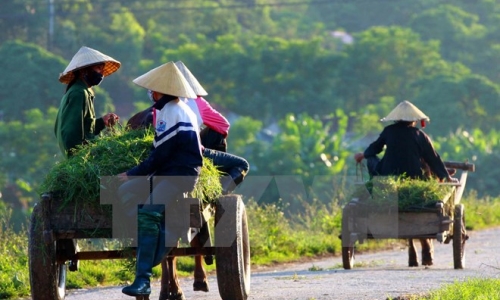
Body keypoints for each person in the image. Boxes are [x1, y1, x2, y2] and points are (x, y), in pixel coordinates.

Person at [117, 61, 203, 298]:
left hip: (179, 176)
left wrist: (132, 173)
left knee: (148, 213)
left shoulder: (172, 112)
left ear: (164, 91)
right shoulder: (174, 109)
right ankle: (156, 237)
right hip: (167, 174)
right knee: (126, 193)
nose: (150, 94)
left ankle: (143, 278)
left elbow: (160, 155)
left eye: (153, 90)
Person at [353, 100, 457, 267]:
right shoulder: (420, 135)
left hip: (386, 178)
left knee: (371, 160)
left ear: (396, 119)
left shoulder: (388, 132)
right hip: (414, 177)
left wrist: (363, 155)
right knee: (424, 166)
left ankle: (376, 183)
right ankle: (424, 247)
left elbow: (374, 149)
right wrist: (446, 176)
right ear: (414, 120)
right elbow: (433, 158)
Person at [54, 46, 121, 157]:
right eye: (99, 69)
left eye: (102, 69)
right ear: (84, 70)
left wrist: (102, 122)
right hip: (80, 157)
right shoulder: (79, 93)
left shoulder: (81, 91)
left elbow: (85, 129)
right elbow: (70, 132)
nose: (101, 73)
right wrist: (81, 155)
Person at [175, 61, 230, 152]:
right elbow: (223, 124)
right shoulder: (196, 101)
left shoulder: (160, 104)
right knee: (242, 163)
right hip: (190, 148)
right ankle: (214, 162)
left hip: (168, 147)